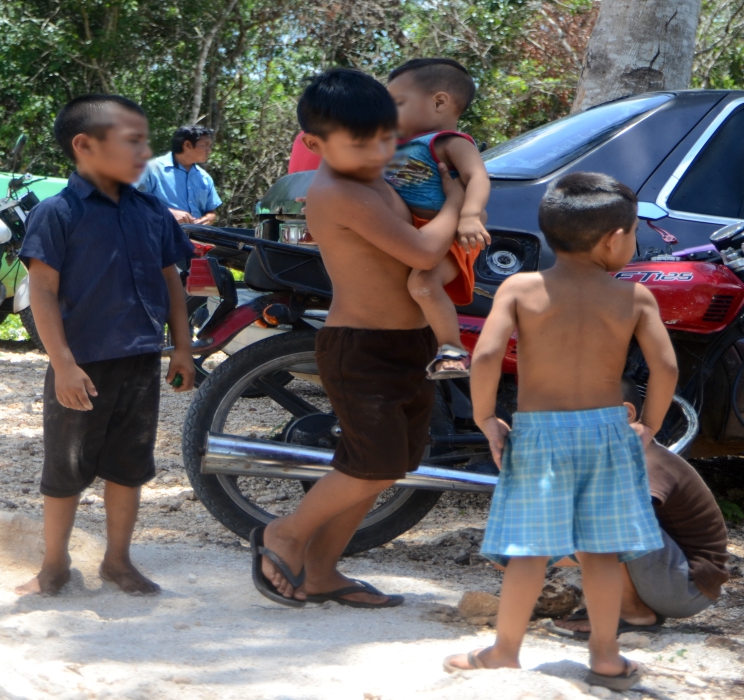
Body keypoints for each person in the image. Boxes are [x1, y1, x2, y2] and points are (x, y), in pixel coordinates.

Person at [443, 172, 679, 692]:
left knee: (528, 550)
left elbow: (484, 355)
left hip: (539, 435)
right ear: (614, 239)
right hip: (605, 435)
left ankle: (505, 651)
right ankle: (605, 656)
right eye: (635, 232)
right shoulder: (635, 298)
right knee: (601, 553)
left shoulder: (520, 287)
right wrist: (651, 425)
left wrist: (487, 419)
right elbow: (665, 369)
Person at [251, 68, 463, 609]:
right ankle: (286, 534)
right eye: (359, 144)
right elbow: (421, 253)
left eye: (384, 139)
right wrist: (459, 205)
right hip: (361, 347)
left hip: (408, 344)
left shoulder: (377, 180)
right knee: (375, 464)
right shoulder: (337, 191)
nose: (377, 152)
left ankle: (321, 572)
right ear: (315, 145)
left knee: (386, 465)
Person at [15, 94, 197, 597]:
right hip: (82, 365)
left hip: (140, 359)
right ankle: (54, 564)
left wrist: (181, 349)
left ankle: (118, 561)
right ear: (85, 145)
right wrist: (64, 364)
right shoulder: (58, 213)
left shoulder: (152, 211)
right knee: (66, 467)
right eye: (131, 141)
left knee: (130, 466)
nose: (144, 152)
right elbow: (43, 293)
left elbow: (172, 285)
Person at [545, 377, 730, 638]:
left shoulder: (647, 460)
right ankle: (622, 606)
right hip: (664, 576)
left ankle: (633, 613)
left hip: (687, 587)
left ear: (626, 413)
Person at [385, 58, 491, 379]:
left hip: (451, 238)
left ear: (440, 102)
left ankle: (452, 350)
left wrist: (470, 215)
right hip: (417, 233)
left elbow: (478, 178)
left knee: (424, 283)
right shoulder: (399, 147)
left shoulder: (451, 142)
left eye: (398, 104)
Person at [138, 125, 222, 225]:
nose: (209, 150)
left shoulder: (205, 178)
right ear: (187, 145)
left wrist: (209, 218)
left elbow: (211, 211)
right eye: (205, 145)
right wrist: (168, 213)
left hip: (196, 238)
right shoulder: (152, 169)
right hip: (159, 236)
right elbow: (133, 202)